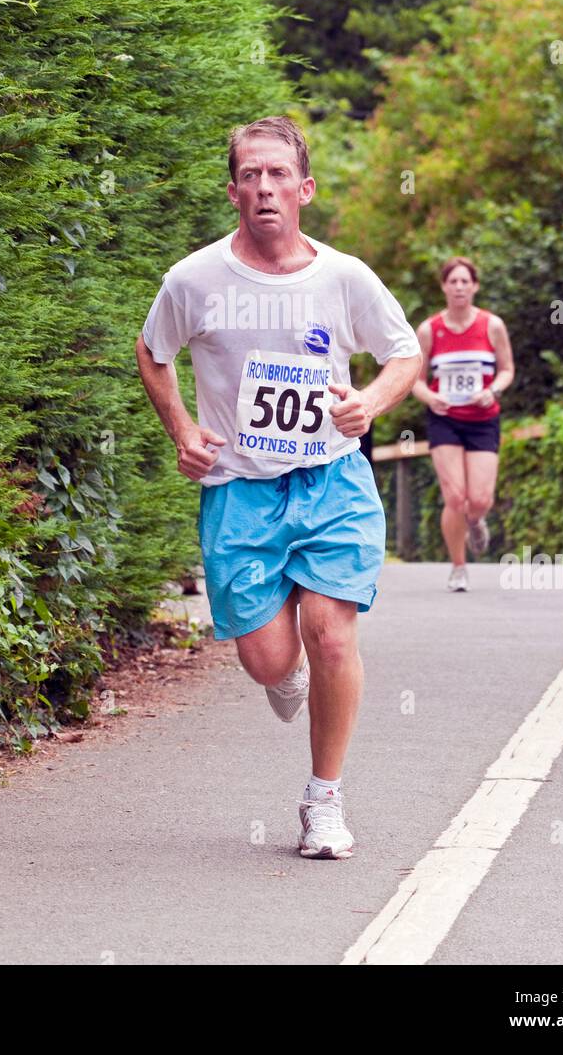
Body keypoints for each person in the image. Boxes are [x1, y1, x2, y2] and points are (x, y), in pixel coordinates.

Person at [135, 115, 422, 859]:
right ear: (232, 190)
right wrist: (183, 432)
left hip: (331, 479)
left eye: (277, 174)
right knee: (268, 659)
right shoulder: (193, 280)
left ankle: (323, 799)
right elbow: (152, 350)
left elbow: (403, 352)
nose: (264, 186)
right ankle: (283, 674)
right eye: (250, 175)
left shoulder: (344, 277)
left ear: (305, 188)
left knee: (330, 633)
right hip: (241, 491)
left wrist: (373, 403)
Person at [412, 257, 514, 593]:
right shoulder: (429, 330)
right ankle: (458, 567)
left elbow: (507, 370)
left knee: (480, 499)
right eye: (452, 281)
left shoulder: (492, 326)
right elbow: (414, 379)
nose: (458, 287)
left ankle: (476, 520)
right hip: (445, 420)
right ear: (444, 286)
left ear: (475, 286)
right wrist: (430, 398)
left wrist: (493, 390)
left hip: (483, 419)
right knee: (455, 496)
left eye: (464, 281)